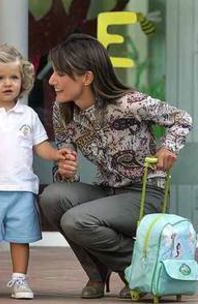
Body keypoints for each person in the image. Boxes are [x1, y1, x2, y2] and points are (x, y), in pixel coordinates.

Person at [39, 33, 193, 299]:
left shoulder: (128, 103)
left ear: (86, 77)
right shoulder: (62, 109)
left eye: (60, 73)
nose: (52, 80)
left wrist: (168, 147)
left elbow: (182, 118)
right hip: (106, 190)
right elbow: (66, 156)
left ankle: (139, 272)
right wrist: (64, 170)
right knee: (52, 197)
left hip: (144, 194)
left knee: (77, 220)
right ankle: (96, 276)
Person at [0, 44, 64, 299]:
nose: (8, 83)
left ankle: (20, 279)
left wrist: (56, 154)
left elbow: (41, 146)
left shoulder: (28, 115)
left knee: (21, 238)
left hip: (21, 189)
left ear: (23, 81)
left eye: (14, 77)